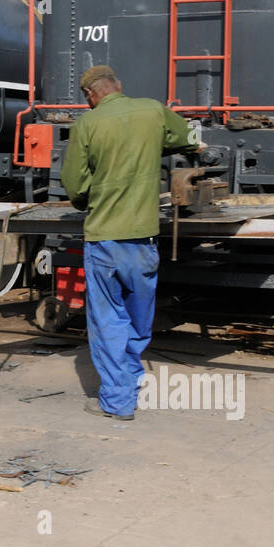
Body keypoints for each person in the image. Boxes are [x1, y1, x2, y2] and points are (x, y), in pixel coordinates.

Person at [60, 66, 200, 420]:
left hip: (105, 239)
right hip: (143, 241)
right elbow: (190, 138)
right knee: (139, 319)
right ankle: (130, 383)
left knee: (108, 321)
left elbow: (75, 186)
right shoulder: (153, 110)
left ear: (90, 96)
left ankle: (119, 401)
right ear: (119, 86)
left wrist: (89, 198)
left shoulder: (87, 125)